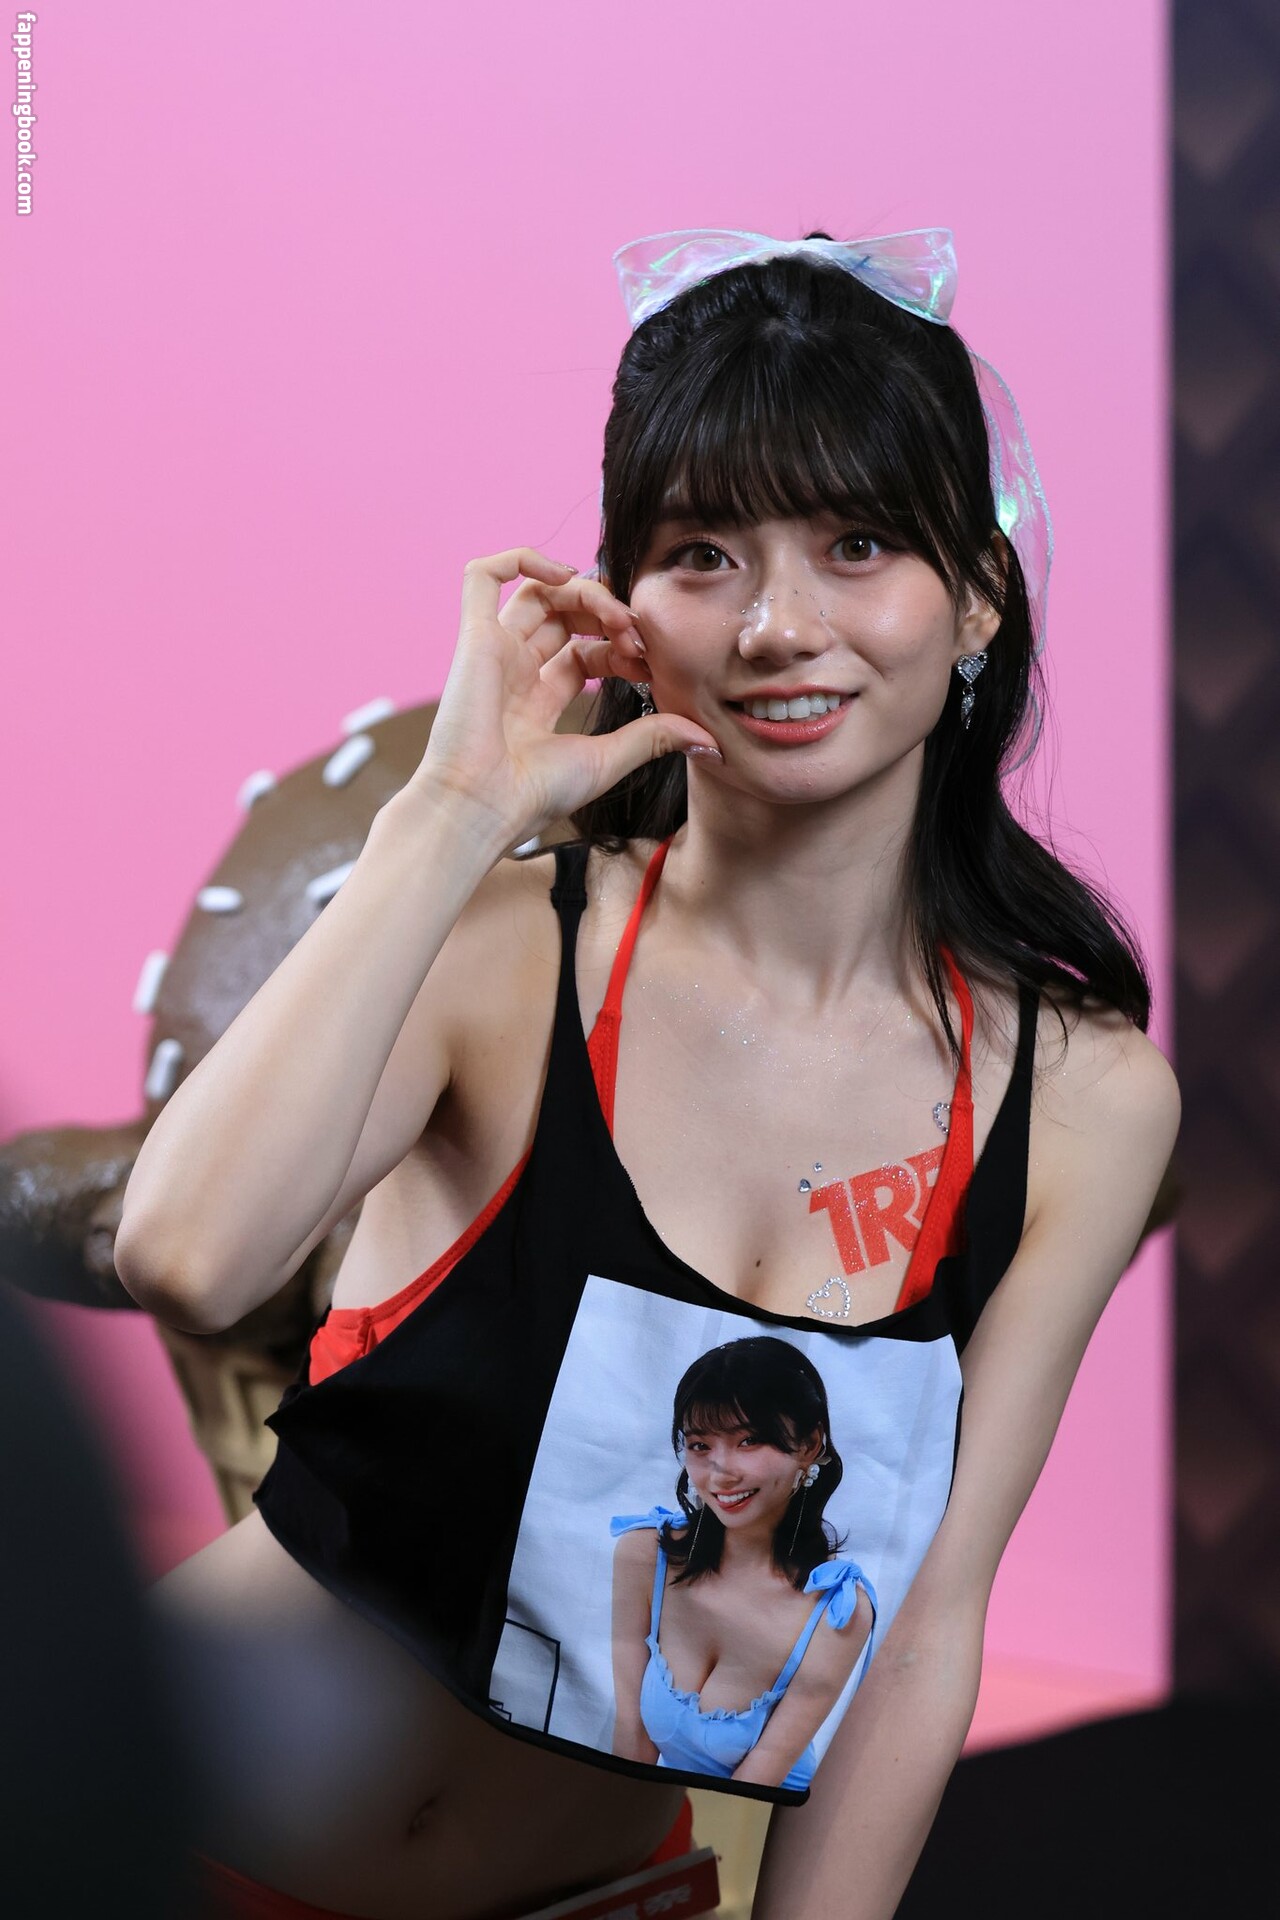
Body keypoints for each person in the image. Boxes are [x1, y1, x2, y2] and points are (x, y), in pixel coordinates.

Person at [115, 225, 1180, 1920]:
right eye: (703, 555)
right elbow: (185, 1254)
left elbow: (923, 1629)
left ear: (977, 593)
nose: (779, 625)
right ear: (622, 605)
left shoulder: (1085, 1102)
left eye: (856, 543)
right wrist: (453, 810)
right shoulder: (503, 952)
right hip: (155, 1840)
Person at [610, 1336, 876, 1792]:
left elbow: (751, 1791)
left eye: (749, 1440)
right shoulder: (644, 1554)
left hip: (756, 1821)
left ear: (810, 1444)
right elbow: (631, 1748)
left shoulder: (836, 1612)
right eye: (699, 1445)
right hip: (661, 1814)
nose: (721, 1471)